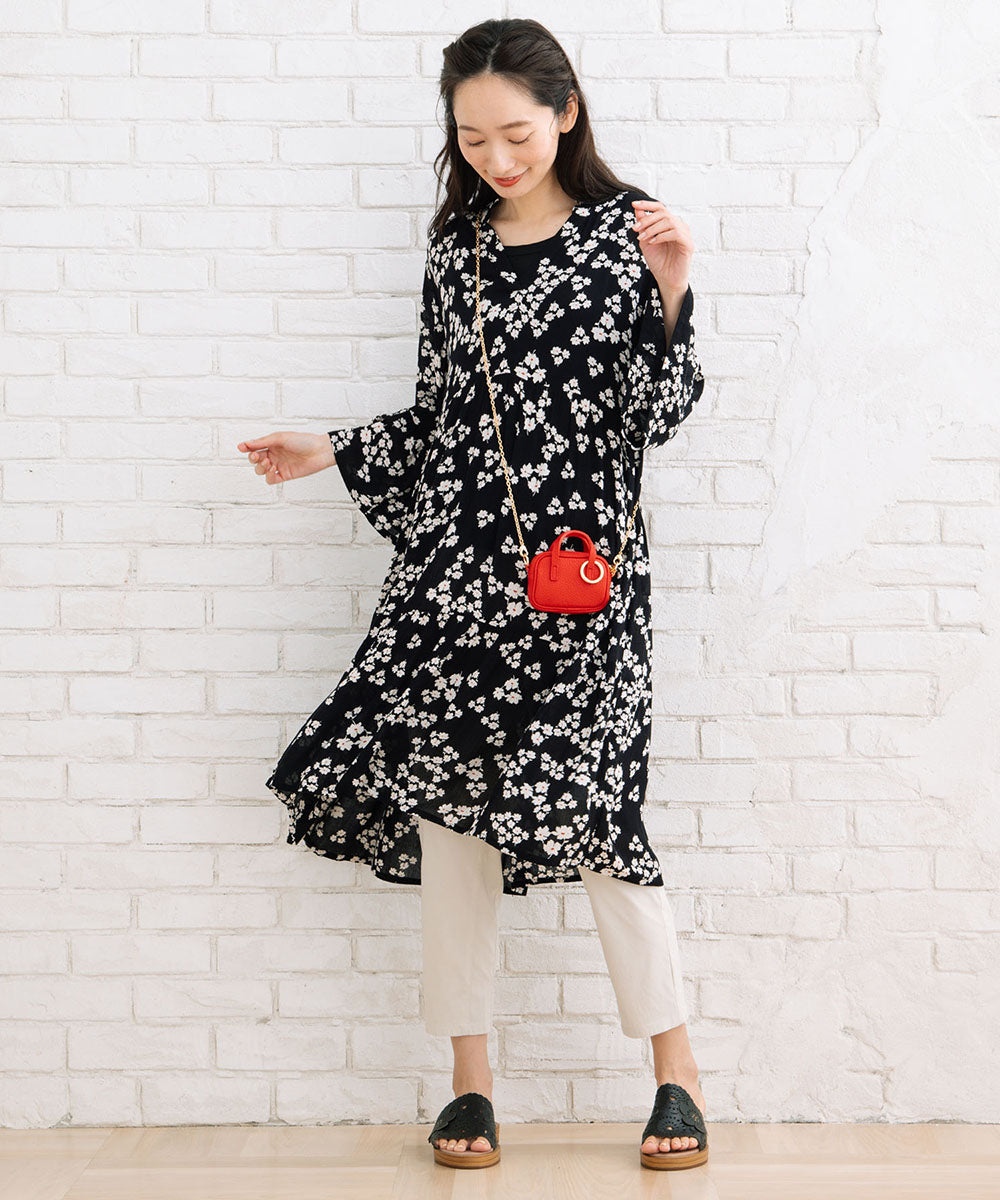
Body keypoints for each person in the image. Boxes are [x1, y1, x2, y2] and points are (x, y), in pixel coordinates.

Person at [238, 16, 708, 1173]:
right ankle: (469, 1088)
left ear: (565, 113)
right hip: (459, 584)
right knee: (452, 827)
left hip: (585, 581)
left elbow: (651, 420)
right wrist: (332, 449)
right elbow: (445, 421)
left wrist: (672, 292)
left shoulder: (627, 234)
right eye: (472, 138)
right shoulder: (458, 252)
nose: (497, 158)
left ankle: (677, 1076)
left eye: (516, 134)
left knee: (602, 816)